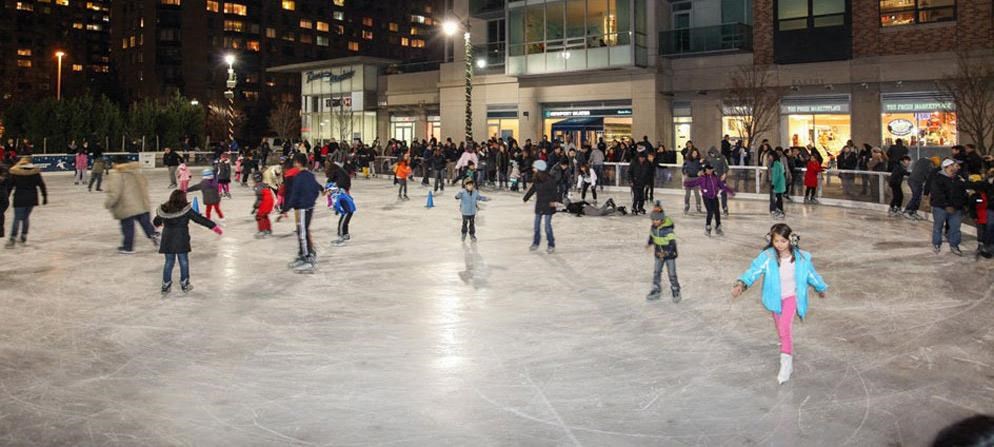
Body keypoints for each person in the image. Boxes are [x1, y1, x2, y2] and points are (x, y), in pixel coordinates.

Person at [731, 223, 828, 385]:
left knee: (784, 327)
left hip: (792, 297)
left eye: (783, 241)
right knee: (780, 328)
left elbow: (811, 274)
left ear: (790, 240)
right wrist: (741, 284)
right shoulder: (768, 257)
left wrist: (820, 287)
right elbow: (753, 271)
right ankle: (785, 345)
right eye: (776, 241)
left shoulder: (801, 258)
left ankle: (786, 364)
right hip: (775, 298)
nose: (779, 245)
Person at [153, 190, 223, 295]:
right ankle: (185, 284)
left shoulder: (164, 209)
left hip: (167, 239)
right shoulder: (186, 210)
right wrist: (213, 226)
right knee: (183, 261)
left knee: (169, 262)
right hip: (181, 238)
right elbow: (199, 219)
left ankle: (166, 285)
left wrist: (159, 224)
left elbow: (156, 221)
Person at [104, 156, 157, 254]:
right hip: (140, 203)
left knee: (127, 226)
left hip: (126, 205)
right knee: (145, 224)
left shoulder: (116, 174)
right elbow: (145, 184)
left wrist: (108, 203)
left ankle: (128, 247)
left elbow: (115, 192)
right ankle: (157, 237)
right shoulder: (136, 172)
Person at [285, 153, 323, 272]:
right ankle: (303, 254)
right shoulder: (310, 175)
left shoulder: (299, 177)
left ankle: (307, 258)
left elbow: (294, 195)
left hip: (302, 208)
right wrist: (312, 200)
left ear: (297, 163)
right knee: (304, 231)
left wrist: (285, 208)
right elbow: (317, 188)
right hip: (309, 207)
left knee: (302, 233)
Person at [5, 157, 47, 248]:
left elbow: (10, 186)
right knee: (25, 217)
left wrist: (6, 197)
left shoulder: (16, 173)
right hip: (32, 199)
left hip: (20, 198)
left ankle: (12, 238)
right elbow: (41, 185)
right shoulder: (35, 173)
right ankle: (23, 236)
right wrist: (44, 197)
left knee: (17, 218)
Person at [930, 159, 970, 256]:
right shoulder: (938, 179)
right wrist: (946, 205)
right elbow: (937, 194)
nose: (954, 168)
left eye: (954, 166)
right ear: (945, 168)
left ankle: (954, 245)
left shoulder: (958, 178)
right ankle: (936, 244)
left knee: (955, 228)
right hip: (940, 208)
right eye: (951, 167)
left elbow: (963, 192)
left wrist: (964, 204)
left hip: (956, 208)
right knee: (938, 227)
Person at [684, 163, 735, 237]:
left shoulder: (716, 178)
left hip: (714, 197)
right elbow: (694, 183)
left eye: (711, 169)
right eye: (708, 169)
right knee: (710, 211)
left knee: (717, 212)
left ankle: (718, 226)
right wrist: (686, 183)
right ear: (705, 170)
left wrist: (730, 191)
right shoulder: (702, 178)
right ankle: (708, 226)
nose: (709, 171)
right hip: (706, 197)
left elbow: (722, 186)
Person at [645, 201, 681, 302]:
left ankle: (675, 288)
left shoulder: (668, 230)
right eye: (653, 220)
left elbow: (672, 244)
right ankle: (656, 288)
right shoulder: (653, 227)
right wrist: (649, 243)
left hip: (670, 255)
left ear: (662, 219)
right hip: (658, 254)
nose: (655, 222)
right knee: (656, 272)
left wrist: (665, 253)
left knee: (672, 274)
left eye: (657, 219)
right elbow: (652, 236)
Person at [523, 160, 558, 254]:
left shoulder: (550, 179)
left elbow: (555, 191)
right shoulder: (536, 179)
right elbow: (532, 189)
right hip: (539, 205)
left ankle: (551, 244)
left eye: (535, 168)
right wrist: (526, 198)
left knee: (547, 226)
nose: (533, 169)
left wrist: (555, 202)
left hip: (549, 205)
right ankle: (536, 243)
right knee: (536, 226)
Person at [904, 156, 938, 220]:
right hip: (916, 181)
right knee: (916, 196)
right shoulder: (930, 165)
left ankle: (913, 211)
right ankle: (908, 210)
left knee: (918, 196)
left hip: (914, 180)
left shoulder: (922, 160)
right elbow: (929, 177)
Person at [326, 180, 357, 246]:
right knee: (344, 222)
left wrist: (338, 210)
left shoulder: (335, 195)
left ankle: (341, 239)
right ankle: (346, 234)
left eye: (328, 190)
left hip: (347, 210)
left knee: (341, 224)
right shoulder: (341, 191)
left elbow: (336, 204)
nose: (328, 192)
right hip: (350, 209)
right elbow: (351, 198)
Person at [706, 147, 730, 215]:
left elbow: (726, 167)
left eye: (712, 153)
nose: (712, 155)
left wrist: (724, 174)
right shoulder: (709, 159)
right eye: (711, 154)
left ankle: (725, 207)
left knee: (723, 193)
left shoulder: (722, 157)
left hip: (721, 179)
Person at [251, 172, 275, 239]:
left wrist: (255, 207)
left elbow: (260, 198)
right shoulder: (264, 184)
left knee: (259, 216)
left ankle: (262, 231)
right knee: (264, 216)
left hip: (265, 202)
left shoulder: (258, 186)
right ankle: (268, 229)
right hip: (270, 201)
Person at [682, 148, 703, 215]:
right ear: (691, 153)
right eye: (694, 153)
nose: (695, 154)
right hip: (688, 179)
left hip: (696, 179)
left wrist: (700, 171)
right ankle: (686, 205)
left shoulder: (698, 161)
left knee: (697, 194)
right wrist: (685, 173)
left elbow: (701, 168)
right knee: (687, 194)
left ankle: (698, 206)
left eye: (696, 153)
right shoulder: (687, 161)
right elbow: (683, 169)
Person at [770, 149, 787, 219]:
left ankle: (780, 211)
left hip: (778, 184)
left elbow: (776, 175)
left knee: (778, 198)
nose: (769, 158)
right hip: (780, 183)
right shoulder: (779, 163)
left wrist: (773, 184)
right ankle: (779, 211)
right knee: (779, 198)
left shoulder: (776, 164)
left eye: (770, 156)